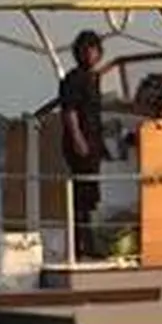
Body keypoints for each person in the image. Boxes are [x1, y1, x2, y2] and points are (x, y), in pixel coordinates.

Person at [58, 30, 108, 257]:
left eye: (94, 50)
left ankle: (88, 242)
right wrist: (78, 138)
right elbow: (69, 111)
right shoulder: (73, 78)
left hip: (94, 140)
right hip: (80, 142)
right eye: (86, 51)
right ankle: (82, 245)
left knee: (91, 193)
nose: (91, 55)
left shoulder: (94, 78)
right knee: (82, 192)